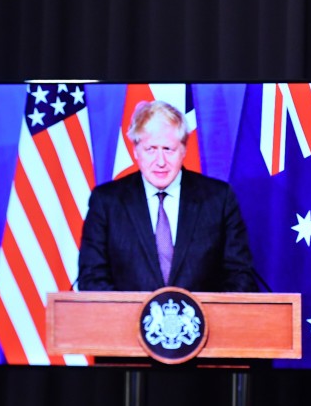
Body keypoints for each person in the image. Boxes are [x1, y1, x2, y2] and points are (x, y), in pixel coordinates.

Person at [77, 100, 257, 292]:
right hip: (126, 322)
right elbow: (92, 279)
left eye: (168, 149)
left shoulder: (218, 199)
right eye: (151, 149)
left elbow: (239, 276)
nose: (160, 162)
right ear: (135, 151)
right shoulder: (107, 202)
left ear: (183, 150)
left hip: (206, 321)